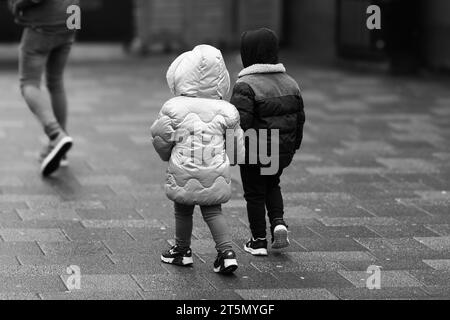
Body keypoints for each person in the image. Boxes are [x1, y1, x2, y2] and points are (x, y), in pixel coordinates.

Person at [151, 45, 245, 274]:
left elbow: (161, 137)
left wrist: (166, 155)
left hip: (183, 167)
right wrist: (230, 160)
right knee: (213, 211)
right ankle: (226, 253)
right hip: (214, 168)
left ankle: (182, 251)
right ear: (221, 78)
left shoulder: (173, 107)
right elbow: (236, 149)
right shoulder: (227, 110)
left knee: (182, 210)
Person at [230, 28, 306, 256]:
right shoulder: (291, 83)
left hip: (254, 149)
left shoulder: (246, 85)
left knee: (254, 193)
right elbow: (299, 119)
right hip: (279, 149)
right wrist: (293, 146)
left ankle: (258, 240)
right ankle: (278, 223)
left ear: (248, 54)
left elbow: (239, 122)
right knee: (272, 185)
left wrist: (232, 151)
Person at [9, 0, 79, 176]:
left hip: (45, 22)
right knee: (55, 81)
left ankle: (56, 135)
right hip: (71, 18)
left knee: (29, 83)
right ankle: (59, 149)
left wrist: (17, 4)